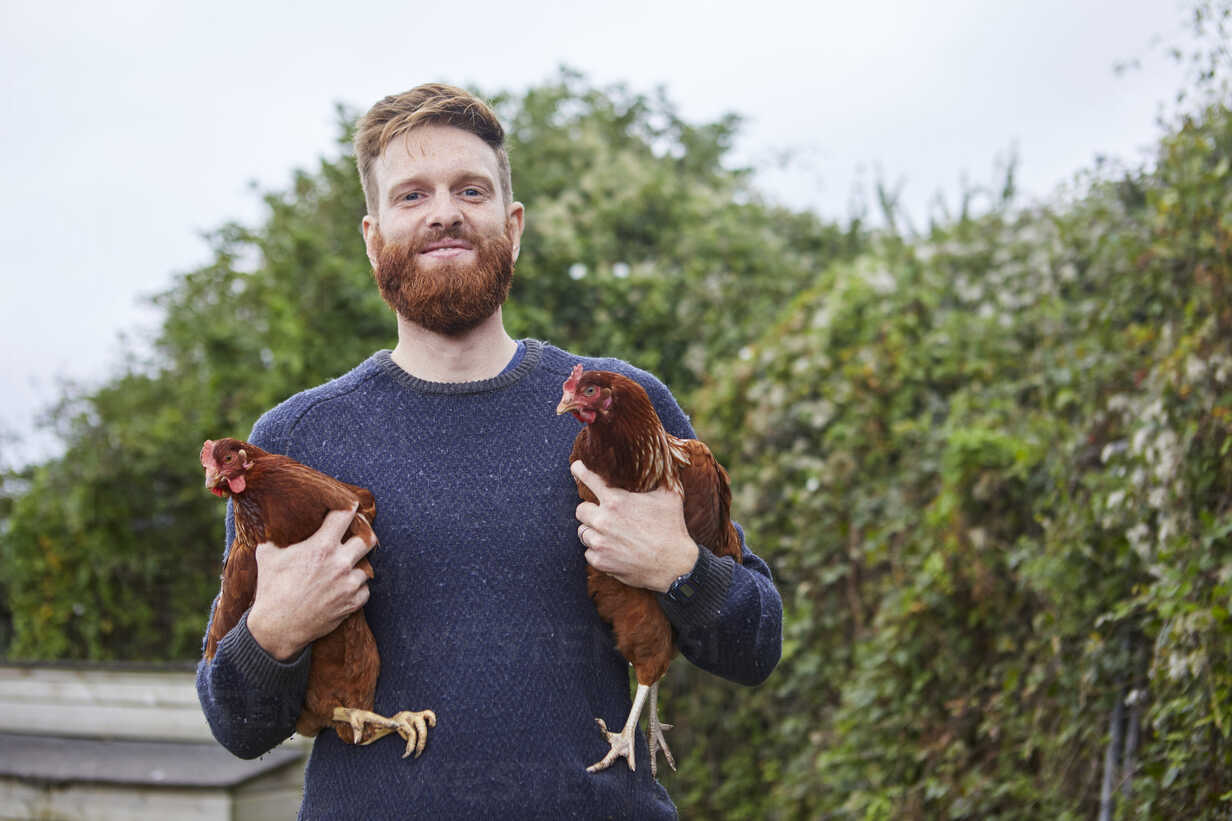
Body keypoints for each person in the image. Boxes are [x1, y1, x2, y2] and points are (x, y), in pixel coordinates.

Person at [196, 83, 782, 819]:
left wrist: (681, 568)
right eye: (412, 195)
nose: (444, 211)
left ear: (513, 224)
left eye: (470, 190)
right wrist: (274, 631)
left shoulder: (621, 410)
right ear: (373, 238)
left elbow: (755, 647)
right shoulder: (296, 438)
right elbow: (237, 727)